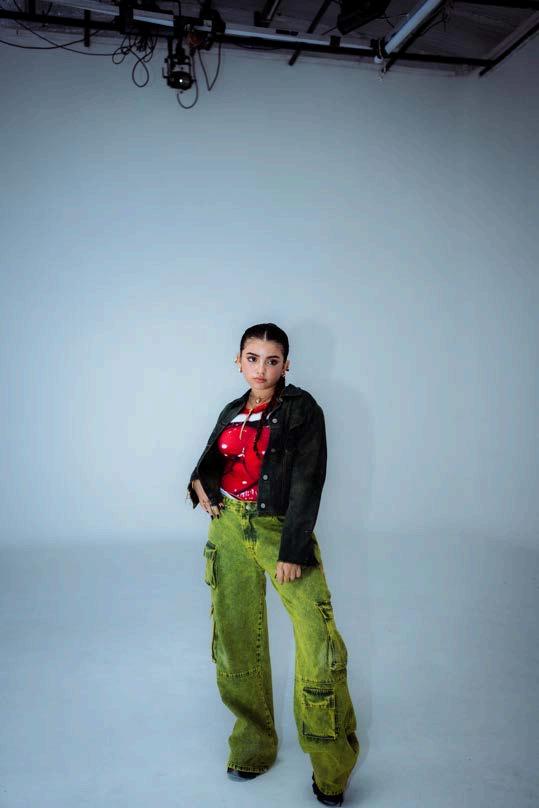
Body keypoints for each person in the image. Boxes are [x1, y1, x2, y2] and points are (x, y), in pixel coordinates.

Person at [186, 322, 360, 806]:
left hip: (278, 532)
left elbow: (308, 478)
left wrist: (292, 548)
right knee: (236, 641)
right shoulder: (232, 410)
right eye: (252, 358)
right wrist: (197, 482)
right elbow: (214, 460)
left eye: (272, 360)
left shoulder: (302, 410)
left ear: (286, 365)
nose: (261, 369)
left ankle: (331, 769)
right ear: (238, 361)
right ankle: (253, 746)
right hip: (227, 529)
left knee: (319, 645)